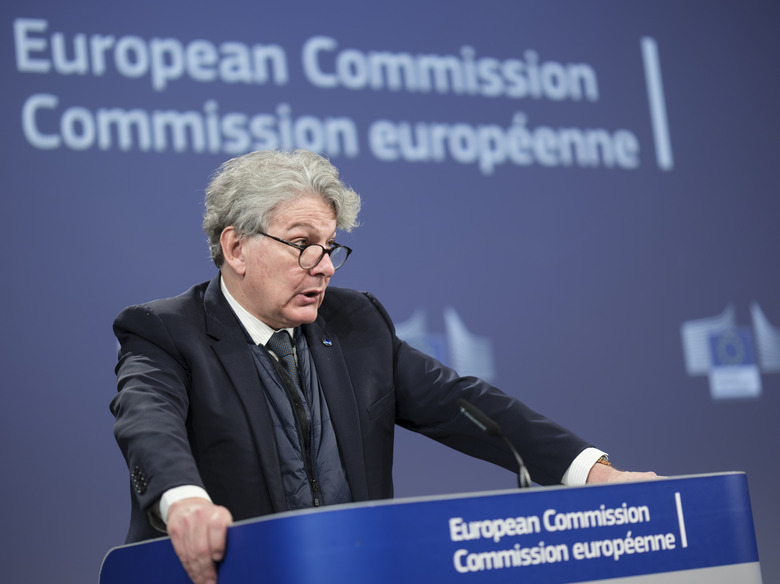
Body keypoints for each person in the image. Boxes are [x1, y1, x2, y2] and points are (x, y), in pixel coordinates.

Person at [111, 149, 656, 584]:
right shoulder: (167, 331)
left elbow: (462, 403)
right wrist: (184, 503)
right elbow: (147, 422)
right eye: (302, 244)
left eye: (330, 247)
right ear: (236, 248)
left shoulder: (356, 322)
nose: (324, 267)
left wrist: (591, 473)